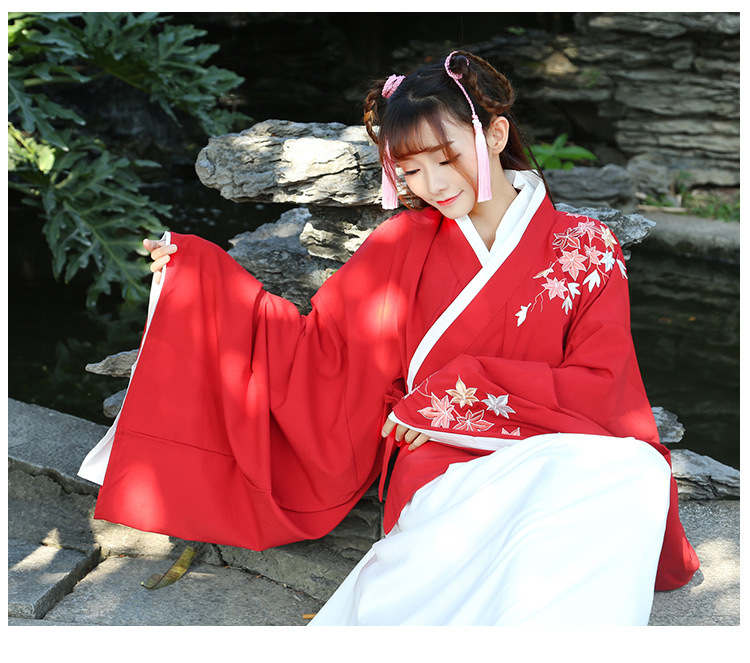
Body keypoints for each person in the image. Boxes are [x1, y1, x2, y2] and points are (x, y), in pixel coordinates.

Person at [79, 50, 699, 625]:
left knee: (634, 470)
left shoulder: (585, 247)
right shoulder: (402, 243)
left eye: (446, 158)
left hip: (553, 446)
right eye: (411, 169)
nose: (432, 184)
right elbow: (318, 352)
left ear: (495, 135)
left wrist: (458, 390)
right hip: (440, 458)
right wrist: (199, 276)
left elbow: (603, 386)